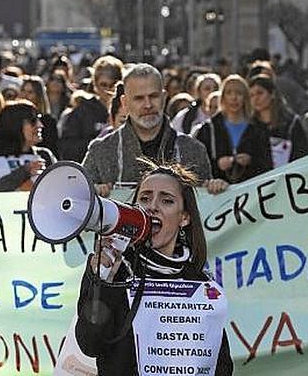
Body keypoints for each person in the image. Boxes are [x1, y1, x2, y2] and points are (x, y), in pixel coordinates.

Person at [75, 160, 233, 375]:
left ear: (184, 217)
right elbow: (90, 344)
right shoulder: (115, 273)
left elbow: (219, 364)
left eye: (166, 200)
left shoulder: (200, 285)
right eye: (145, 198)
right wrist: (102, 282)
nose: (152, 207)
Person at [82, 64, 225, 196]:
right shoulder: (100, 151)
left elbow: (205, 209)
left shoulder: (193, 150)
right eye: (139, 98)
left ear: (164, 97)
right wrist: (92, 191)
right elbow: (78, 202)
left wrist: (215, 188)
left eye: (153, 96)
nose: (148, 105)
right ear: (124, 103)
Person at [193, 75, 272, 184]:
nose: (234, 98)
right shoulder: (208, 129)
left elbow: (267, 165)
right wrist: (217, 164)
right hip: (217, 194)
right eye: (229, 93)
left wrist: (251, 161)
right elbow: (197, 166)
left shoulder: (258, 129)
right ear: (223, 96)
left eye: (239, 93)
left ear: (245, 98)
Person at [0, 100, 56, 192]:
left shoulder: (45, 156)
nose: (40, 125)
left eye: (39, 119)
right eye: (33, 121)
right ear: (15, 125)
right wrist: (24, 172)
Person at [58, 55, 123, 162]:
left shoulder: (128, 109)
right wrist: (99, 141)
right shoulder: (82, 110)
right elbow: (68, 148)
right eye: (103, 84)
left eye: (113, 85)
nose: (108, 90)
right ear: (95, 84)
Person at [248, 74, 308, 168]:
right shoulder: (249, 126)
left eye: (260, 93)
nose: (256, 99)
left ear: (272, 94)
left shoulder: (291, 123)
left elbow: (303, 154)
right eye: (251, 95)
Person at [19, 75, 59, 156]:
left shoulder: (48, 121)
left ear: (39, 95)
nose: (25, 95)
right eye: (23, 91)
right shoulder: (13, 117)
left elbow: (52, 149)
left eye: (30, 92)